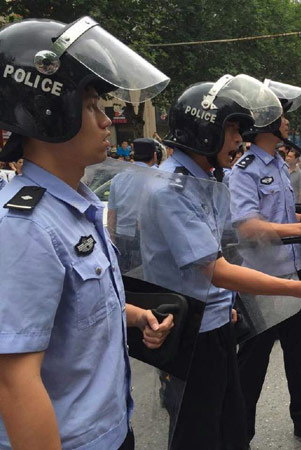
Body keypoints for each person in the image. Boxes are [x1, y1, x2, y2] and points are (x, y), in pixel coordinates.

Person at [0, 16, 174, 450]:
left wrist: (136, 317)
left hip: (114, 429)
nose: (106, 121)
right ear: (50, 110)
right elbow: (13, 381)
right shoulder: (25, 226)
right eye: (92, 105)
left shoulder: (80, 208)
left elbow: (72, 315)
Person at [150, 75, 301, 450]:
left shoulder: (204, 178)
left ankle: (298, 419)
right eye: (232, 129)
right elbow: (219, 260)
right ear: (206, 131)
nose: (239, 139)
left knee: (230, 420)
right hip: (207, 317)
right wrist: (300, 284)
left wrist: (226, 304)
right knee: (204, 426)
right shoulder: (176, 187)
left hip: (222, 311)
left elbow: (217, 248)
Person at [229, 79, 301, 447]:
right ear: (265, 122)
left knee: (297, 358)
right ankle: (240, 435)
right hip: (262, 283)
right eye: (282, 116)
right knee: (252, 366)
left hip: (291, 273)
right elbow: (246, 225)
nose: (288, 123)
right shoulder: (244, 169)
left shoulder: (278, 162)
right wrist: (298, 225)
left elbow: (272, 215)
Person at [107, 138, 159, 272]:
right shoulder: (157, 177)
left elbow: (112, 213)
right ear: (154, 156)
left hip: (121, 238)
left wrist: (112, 239)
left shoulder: (118, 178)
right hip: (147, 239)